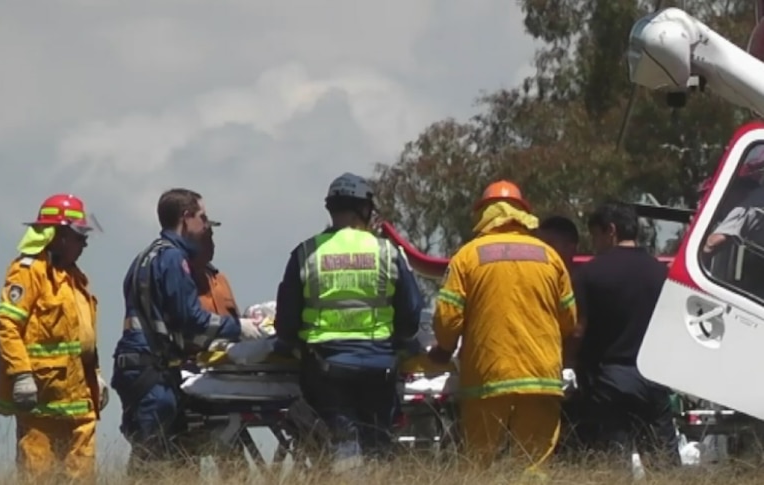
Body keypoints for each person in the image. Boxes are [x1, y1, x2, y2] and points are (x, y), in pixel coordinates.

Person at [274, 172, 423, 473]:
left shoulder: (306, 253)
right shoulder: (387, 252)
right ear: (365, 210)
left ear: (331, 209)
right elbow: (410, 318)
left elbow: (286, 323)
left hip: (326, 370)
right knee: (378, 444)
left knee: (343, 442)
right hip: (378, 368)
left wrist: (290, 345)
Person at [427, 180, 577, 475]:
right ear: (523, 213)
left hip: (487, 379)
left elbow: (447, 318)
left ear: (484, 213)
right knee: (533, 468)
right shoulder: (550, 257)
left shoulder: (468, 256)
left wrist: (443, 351)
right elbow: (569, 320)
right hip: (541, 378)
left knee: (478, 466)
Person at [110, 188, 258, 475]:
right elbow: (190, 319)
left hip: (141, 368)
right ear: (186, 217)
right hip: (151, 371)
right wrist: (240, 328)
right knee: (155, 460)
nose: (205, 226)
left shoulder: (146, 257)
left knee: (161, 457)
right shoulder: (173, 260)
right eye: (203, 218)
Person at [0, 194, 107, 483]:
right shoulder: (29, 272)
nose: (85, 243)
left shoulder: (75, 277)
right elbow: (5, 323)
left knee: (82, 476)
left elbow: (82, 334)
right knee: (37, 473)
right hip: (41, 399)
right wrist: (21, 375)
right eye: (79, 236)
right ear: (58, 236)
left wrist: (97, 375)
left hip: (80, 400)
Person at [569, 201, 678, 467]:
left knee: (613, 464)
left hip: (608, 379)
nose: (594, 244)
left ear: (611, 231)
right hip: (653, 377)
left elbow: (579, 328)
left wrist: (569, 362)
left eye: (595, 236)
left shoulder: (589, 273)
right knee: (663, 463)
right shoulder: (661, 272)